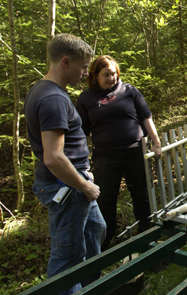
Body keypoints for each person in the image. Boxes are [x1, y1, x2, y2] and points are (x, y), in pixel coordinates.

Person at [24, 33, 106, 294]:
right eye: (83, 67)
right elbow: (54, 157)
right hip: (66, 188)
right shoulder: (53, 99)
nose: (85, 74)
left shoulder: (47, 91)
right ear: (66, 62)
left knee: (95, 230)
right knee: (67, 257)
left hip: (73, 184)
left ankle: (93, 287)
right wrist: (84, 185)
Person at [76, 55, 162, 250]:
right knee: (106, 198)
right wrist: (80, 160)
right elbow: (81, 131)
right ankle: (105, 242)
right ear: (95, 76)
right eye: (106, 74)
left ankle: (147, 233)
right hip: (106, 156)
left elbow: (146, 116)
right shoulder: (86, 99)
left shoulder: (129, 91)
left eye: (114, 73)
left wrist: (156, 142)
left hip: (134, 151)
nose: (111, 78)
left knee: (141, 193)